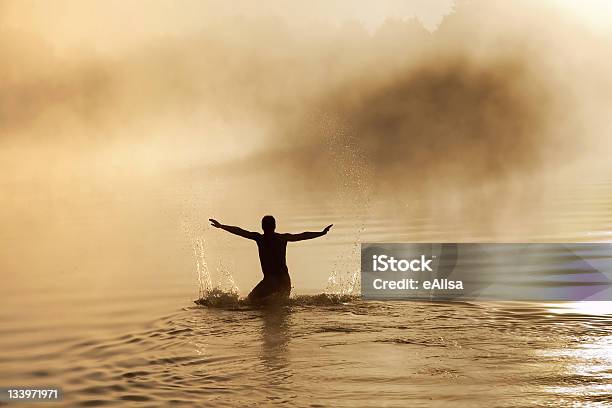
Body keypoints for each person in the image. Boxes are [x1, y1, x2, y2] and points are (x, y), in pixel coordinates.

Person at [209, 216, 333, 302]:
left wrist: (222, 226)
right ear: (274, 226)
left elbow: (240, 231)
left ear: (262, 227)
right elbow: (302, 236)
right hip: (285, 280)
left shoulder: (259, 238)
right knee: (280, 307)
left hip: (271, 280)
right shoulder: (282, 238)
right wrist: (321, 233)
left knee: (250, 301)